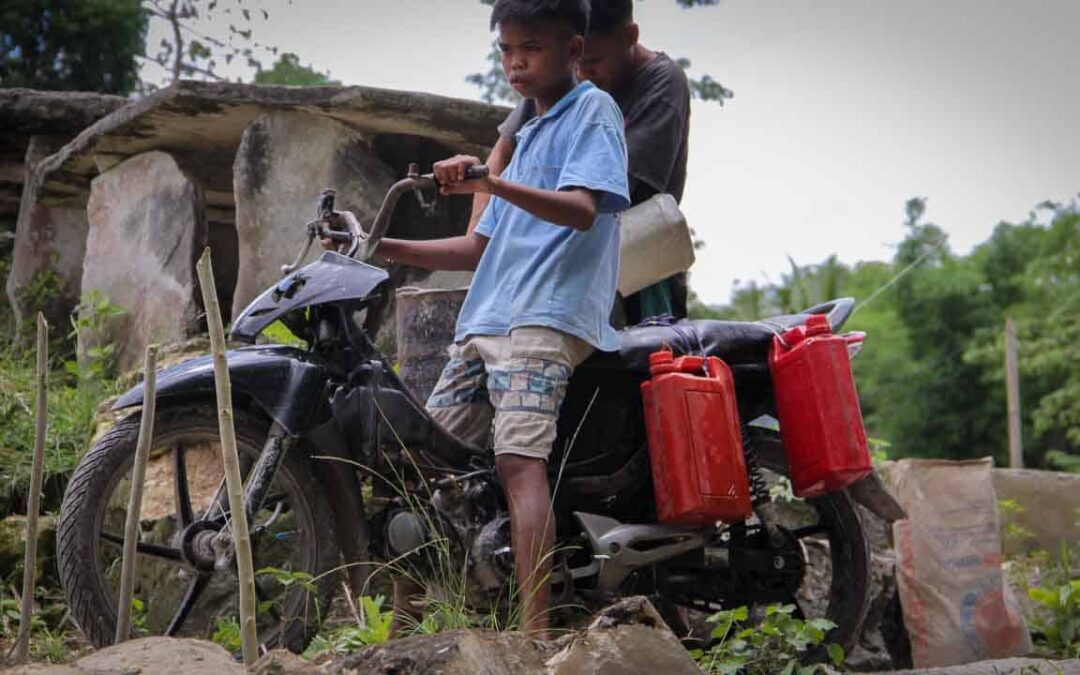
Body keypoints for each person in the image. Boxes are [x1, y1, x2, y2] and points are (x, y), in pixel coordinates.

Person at [370, 0, 629, 638]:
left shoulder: (592, 111)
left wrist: (491, 178)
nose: (516, 62)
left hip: (546, 316)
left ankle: (534, 634)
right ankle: (408, 630)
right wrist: (380, 246)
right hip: (486, 319)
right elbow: (478, 248)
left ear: (573, 48)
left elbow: (580, 210)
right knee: (427, 462)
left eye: (532, 48)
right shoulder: (525, 134)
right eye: (507, 50)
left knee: (518, 462)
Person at [470, 0, 692, 326]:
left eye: (594, 62)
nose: (584, 73)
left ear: (630, 36)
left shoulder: (661, 83)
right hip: (553, 268)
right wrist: (480, 240)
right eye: (577, 65)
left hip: (631, 260)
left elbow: (600, 197)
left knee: (633, 363)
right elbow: (502, 151)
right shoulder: (560, 80)